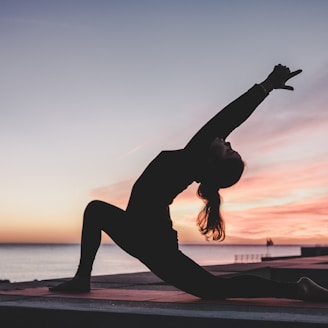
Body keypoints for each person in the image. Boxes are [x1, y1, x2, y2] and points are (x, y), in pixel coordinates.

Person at [49, 64, 328, 301]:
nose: (227, 141)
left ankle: (298, 288)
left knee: (213, 290)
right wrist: (265, 87)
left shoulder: (194, 158)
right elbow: (225, 124)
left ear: (213, 164)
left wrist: (265, 87)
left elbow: (228, 118)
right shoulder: (193, 161)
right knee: (95, 210)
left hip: (151, 240)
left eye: (229, 150)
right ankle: (82, 278)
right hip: (141, 232)